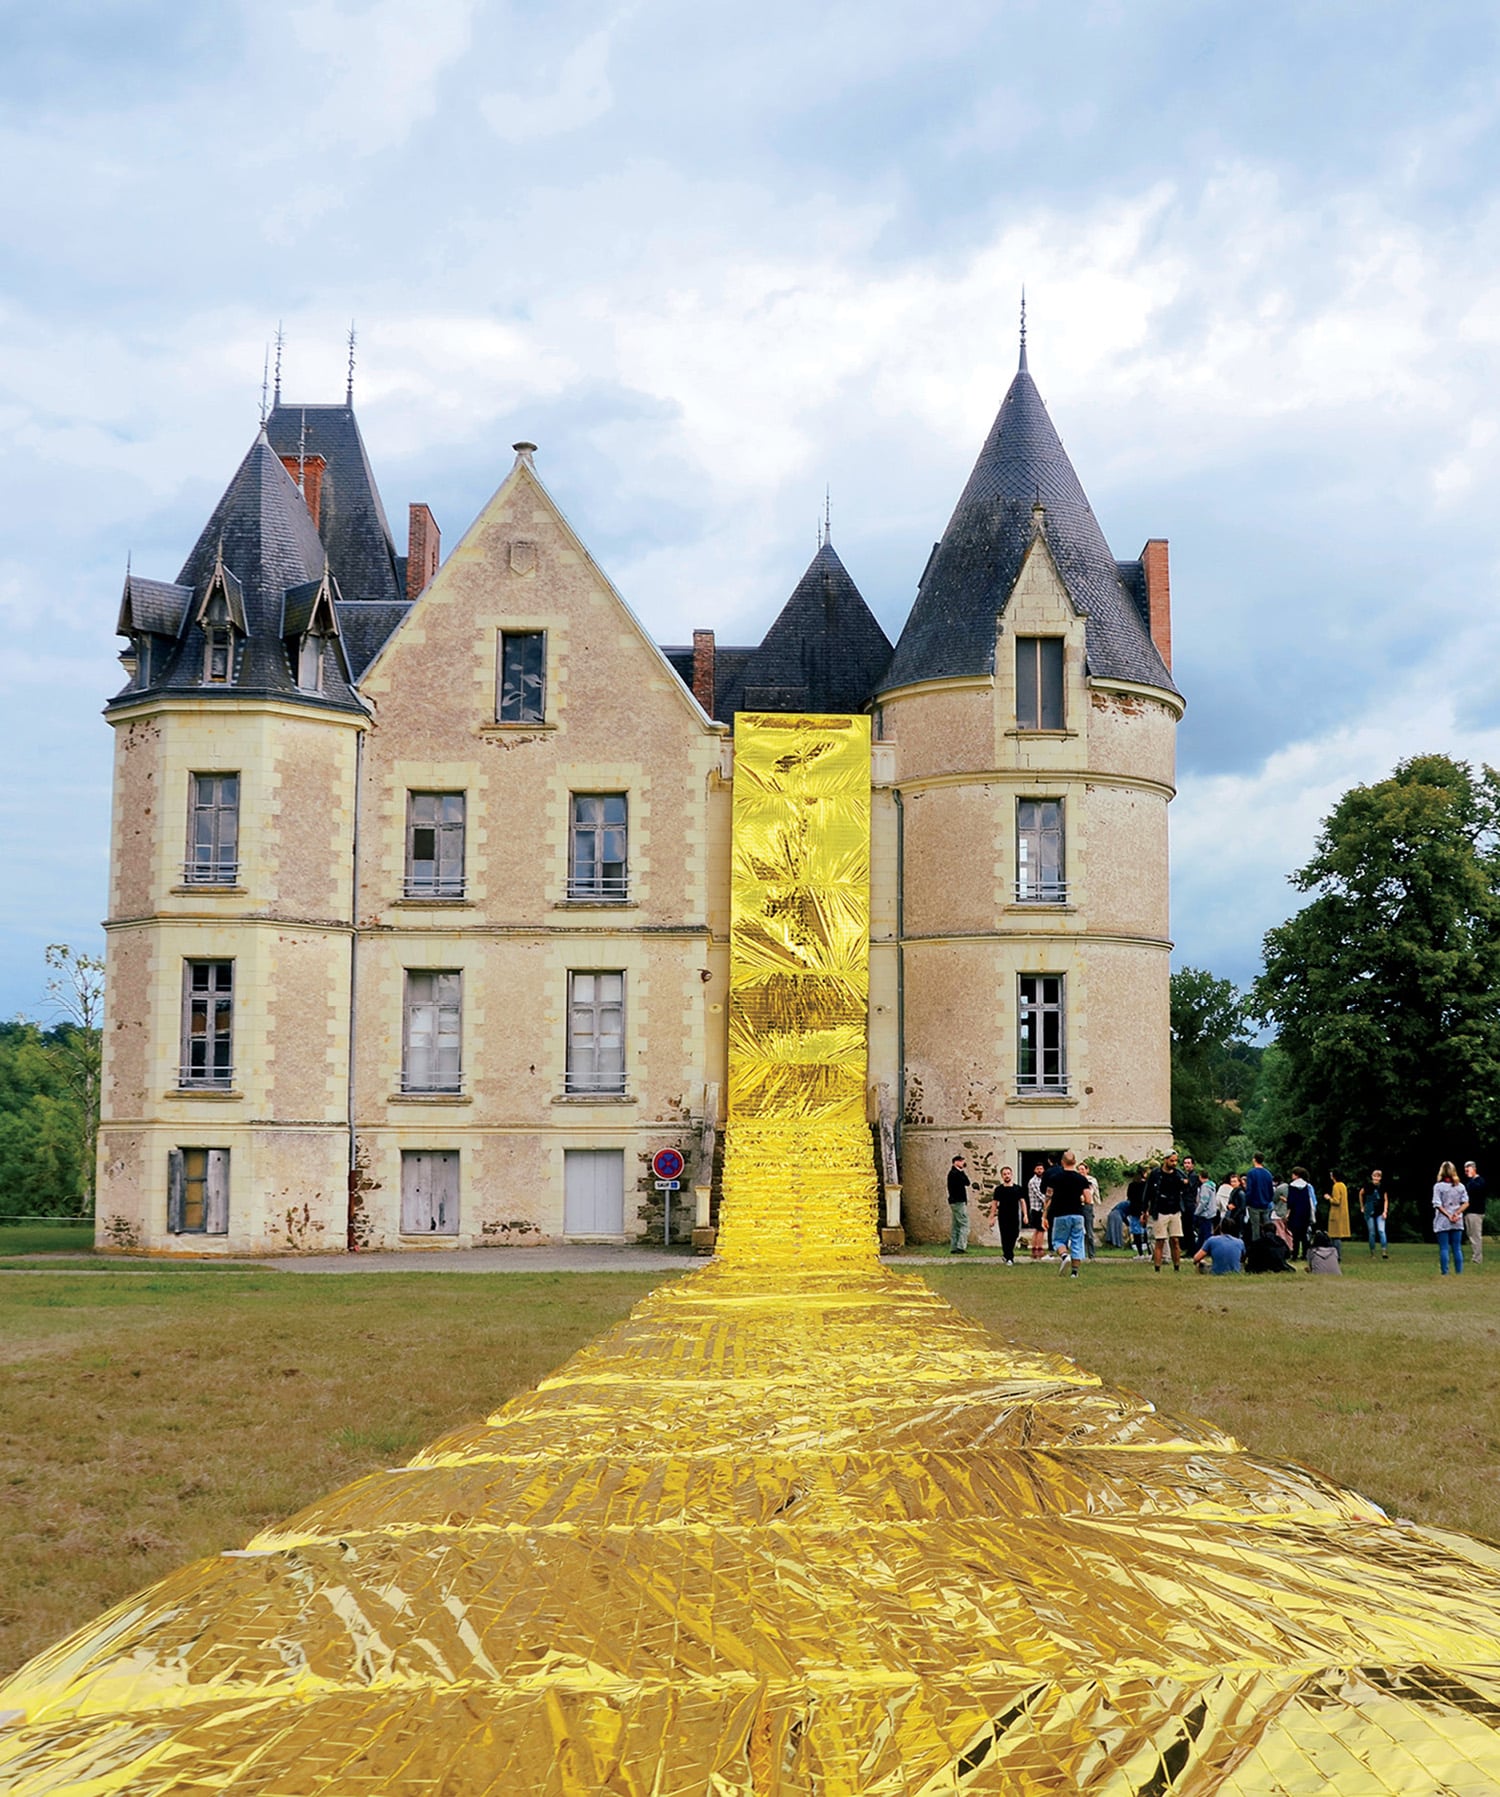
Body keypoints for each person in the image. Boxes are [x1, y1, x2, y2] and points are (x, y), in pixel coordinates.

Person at [1042, 1150, 1090, 1277]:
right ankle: (1074, 1272)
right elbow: (1088, 1199)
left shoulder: (1054, 1178)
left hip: (1060, 1214)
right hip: (1078, 1214)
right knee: (1077, 1242)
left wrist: (1044, 1215)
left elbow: (1048, 1197)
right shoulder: (1081, 1179)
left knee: (1057, 1241)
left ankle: (1064, 1256)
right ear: (1074, 1162)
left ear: (1062, 1162)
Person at [1146, 1150, 1188, 1272]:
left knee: (1175, 1239)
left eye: (1176, 1161)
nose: (1174, 1163)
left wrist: (1184, 1183)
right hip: (1160, 1209)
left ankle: (1176, 1267)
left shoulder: (1178, 1173)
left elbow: (1186, 1185)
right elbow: (1148, 1192)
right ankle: (1157, 1268)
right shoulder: (1156, 1174)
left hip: (1174, 1209)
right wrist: (1145, 1210)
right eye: (1172, 1160)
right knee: (1160, 1240)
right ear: (1165, 1160)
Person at [1433, 1161, 1468, 1276]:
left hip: (1443, 1220)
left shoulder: (1438, 1187)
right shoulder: (1460, 1186)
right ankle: (1459, 1272)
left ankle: (1445, 1272)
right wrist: (1457, 1213)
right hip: (1457, 1220)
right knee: (1457, 1248)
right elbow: (1466, 1203)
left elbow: (1437, 1204)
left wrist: (1448, 1215)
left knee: (1444, 1248)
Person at [988, 1166, 1023, 1266]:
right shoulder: (999, 1189)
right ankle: (1009, 1256)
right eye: (1004, 1174)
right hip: (1003, 1216)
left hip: (1014, 1216)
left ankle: (1007, 1254)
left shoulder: (1017, 1188)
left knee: (1014, 1234)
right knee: (1005, 1236)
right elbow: (994, 1203)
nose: (1007, 1176)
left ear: (1011, 1175)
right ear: (1002, 1176)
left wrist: (1025, 1214)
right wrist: (992, 1216)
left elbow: (1022, 1201)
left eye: (1008, 1174)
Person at [946, 1155, 975, 1254]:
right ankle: (961, 1246)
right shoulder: (955, 1173)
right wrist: (962, 1171)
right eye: (961, 1161)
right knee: (964, 1224)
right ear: (956, 1162)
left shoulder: (953, 1173)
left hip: (955, 1201)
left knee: (956, 1225)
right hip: (958, 1201)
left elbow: (967, 1183)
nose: (963, 1163)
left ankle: (954, 1246)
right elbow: (966, 1182)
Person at [1243, 1154, 1275, 1242]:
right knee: (1267, 1227)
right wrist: (1268, 1200)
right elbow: (1271, 1190)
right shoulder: (1268, 1173)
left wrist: (1247, 1201)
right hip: (1266, 1204)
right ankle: (1269, 1243)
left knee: (1255, 1228)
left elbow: (1249, 1189)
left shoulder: (1251, 1173)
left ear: (1254, 1160)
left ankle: (1256, 1247)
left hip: (1254, 1204)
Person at [1286, 1166, 1315, 1260]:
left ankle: (1295, 1254)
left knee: (1295, 1235)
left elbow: (1291, 1201)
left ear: (1296, 1175)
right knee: (1304, 1235)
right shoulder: (1306, 1186)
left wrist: (1288, 1213)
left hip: (1295, 1212)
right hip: (1305, 1212)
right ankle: (1305, 1254)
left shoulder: (1292, 1186)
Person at [1360, 1169, 1390, 1259]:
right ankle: (1372, 1253)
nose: (1376, 1178)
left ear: (1380, 1178)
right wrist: (1362, 1206)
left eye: (1378, 1176)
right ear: (1372, 1177)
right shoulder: (1367, 1186)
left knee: (1381, 1231)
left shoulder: (1383, 1186)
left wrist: (1385, 1211)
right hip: (1369, 1211)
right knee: (1372, 1233)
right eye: (1375, 1176)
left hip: (1380, 1212)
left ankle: (1384, 1251)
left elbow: (1386, 1199)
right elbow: (1361, 1194)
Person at [1463, 1160, 1486, 1266]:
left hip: (1475, 1212)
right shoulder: (1470, 1182)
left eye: (1469, 1168)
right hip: (1469, 1212)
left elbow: (1475, 1190)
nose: (1467, 1171)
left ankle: (1477, 1258)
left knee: (1476, 1236)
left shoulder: (1479, 1181)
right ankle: (1475, 1256)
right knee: (1471, 1235)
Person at [1125, 1166, 1149, 1258]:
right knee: (1146, 1231)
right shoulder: (1146, 1185)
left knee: (1136, 1231)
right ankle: (1149, 1252)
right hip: (1144, 1209)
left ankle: (1140, 1253)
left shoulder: (1132, 1185)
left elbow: (1129, 1197)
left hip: (1134, 1210)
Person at [1192, 1171, 1219, 1254]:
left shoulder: (1205, 1187)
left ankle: (1205, 1250)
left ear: (1200, 1177)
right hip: (1211, 1212)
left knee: (1204, 1234)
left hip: (1205, 1213)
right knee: (1204, 1233)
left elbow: (1203, 1201)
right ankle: (1200, 1249)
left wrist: (1197, 1212)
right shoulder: (1212, 1186)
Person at [1026, 1164, 1048, 1259]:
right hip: (1036, 1209)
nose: (1040, 1170)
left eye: (1041, 1169)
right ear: (1034, 1170)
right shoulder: (1033, 1181)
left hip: (1041, 1208)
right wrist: (1049, 1202)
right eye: (1038, 1168)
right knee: (1040, 1229)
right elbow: (1040, 1195)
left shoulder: (1042, 1180)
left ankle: (1036, 1249)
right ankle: (1038, 1249)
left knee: (1038, 1230)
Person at [1079, 1161, 1100, 1260]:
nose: (1081, 1171)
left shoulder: (1092, 1180)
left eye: (1082, 1169)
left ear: (1087, 1170)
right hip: (1078, 1205)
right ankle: (1080, 1253)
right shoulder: (1076, 1179)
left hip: (1087, 1206)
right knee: (1079, 1230)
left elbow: (1091, 1191)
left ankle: (1091, 1254)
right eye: (1079, 1169)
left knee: (1089, 1231)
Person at [1325, 1172, 1351, 1241]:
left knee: (1335, 1235)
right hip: (1342, 1213)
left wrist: (1329, 1198)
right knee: (1338, 1235)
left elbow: (1336, 1201)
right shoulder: (1343, 1186)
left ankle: (1336, 1251)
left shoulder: (1336, 1186)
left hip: (1336, 1213)